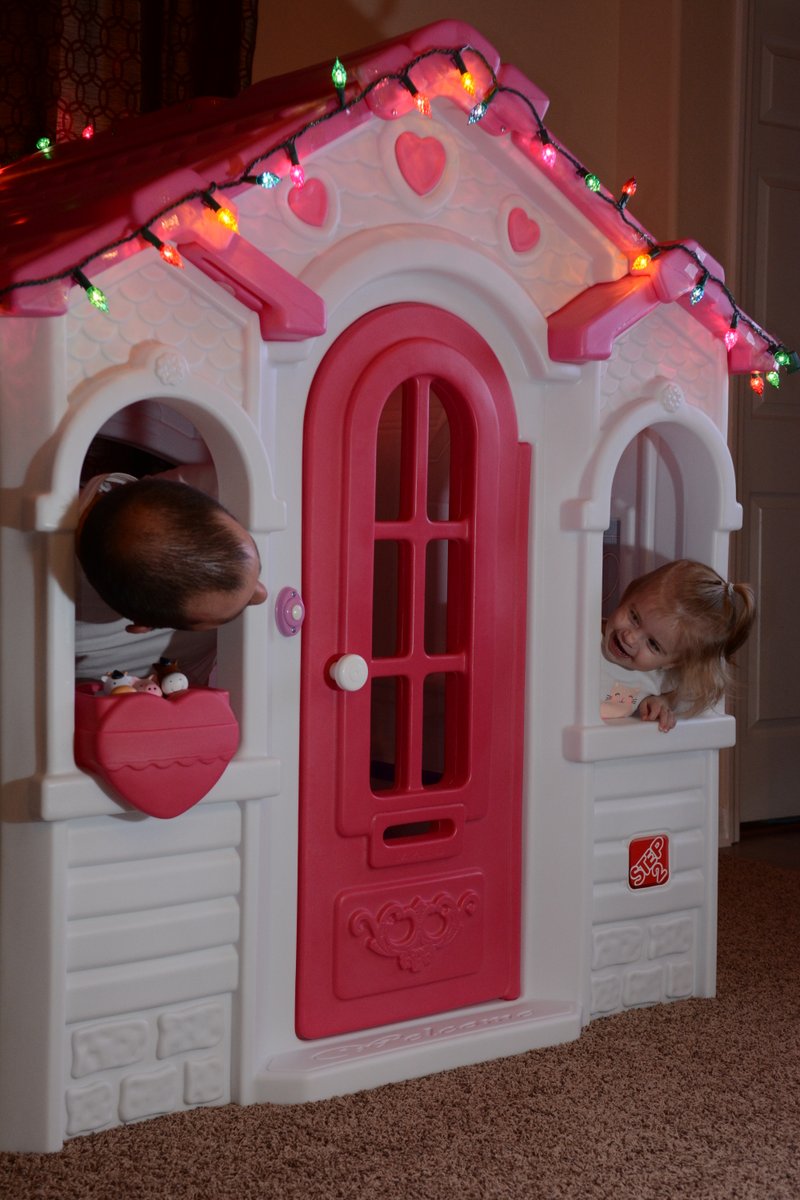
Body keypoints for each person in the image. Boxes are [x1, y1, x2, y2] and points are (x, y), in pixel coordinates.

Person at [75, 465, 267, 684]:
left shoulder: (223, 482)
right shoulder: (80, 647)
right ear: (143, 625)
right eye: (229, 617)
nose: (262, 594)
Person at [600, 559, 756, 732]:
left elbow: (693, 693)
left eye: (653, 644)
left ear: (672, 662)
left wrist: (661, 701)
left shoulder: (657, 678)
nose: (630, 638)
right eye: (634, 617)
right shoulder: (584, 636)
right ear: (628, 593)